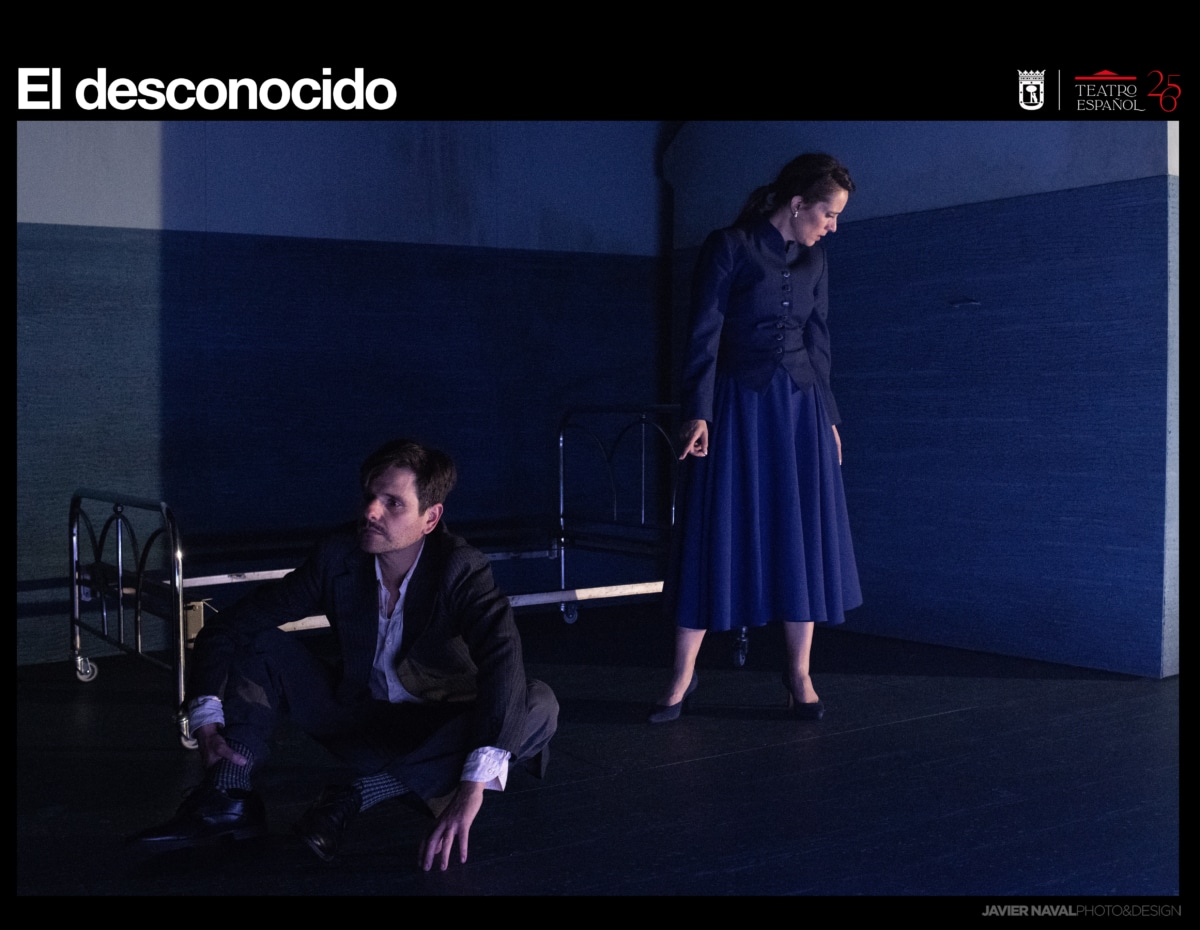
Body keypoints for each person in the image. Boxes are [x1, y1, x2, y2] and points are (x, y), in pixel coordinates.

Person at [132, 438, 558, 870]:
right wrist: (206, 720)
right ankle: (228, 795)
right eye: (369, 497)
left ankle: (355, 795)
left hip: (445, 734)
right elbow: (231, 625)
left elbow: (504, 658)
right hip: (363, 722)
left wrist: (470, 791)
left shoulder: (460, 567)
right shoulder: (339, 555)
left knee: (537, 702)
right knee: (257, 640)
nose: (371, 512)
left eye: (393, 503)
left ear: (430, 518)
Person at [651, 153, 863, 723]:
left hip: (800, 411)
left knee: (801, 533)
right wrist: (698, 413)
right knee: (715, 527)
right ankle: (682, 675)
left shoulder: (816, 259)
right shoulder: (730, 246)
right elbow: (704, 334)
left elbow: (819, 340)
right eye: (828, 214)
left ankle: (798, 676)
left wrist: (830, 419)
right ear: (797, 204)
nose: (832, 227)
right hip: (738, 407)